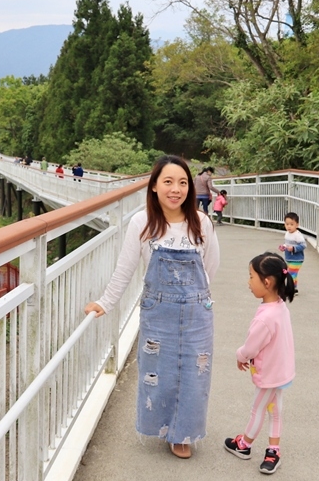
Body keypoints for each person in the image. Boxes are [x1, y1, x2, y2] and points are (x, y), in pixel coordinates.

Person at [84, 155, 220, 459]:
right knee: (159, 371)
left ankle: (182, 433)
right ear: (155, 187)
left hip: (197, 312)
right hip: (158, 312)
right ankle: (161, 426)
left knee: (194, 375)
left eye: (183, 182)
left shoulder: (203, 223)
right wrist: (106, 302)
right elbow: (126, 268)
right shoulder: (141, 223)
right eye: (168, 182)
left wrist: (198, 298)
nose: (176, 189)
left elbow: (210, 267)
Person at [224, 251, 295, 475]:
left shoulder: (265, 318)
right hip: (282, 372)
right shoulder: (280, 307)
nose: (248, 282)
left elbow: (251, 347)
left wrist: (240, 355)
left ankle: (244, 444)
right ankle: (274, 450)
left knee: (258, 409)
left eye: (251, 277)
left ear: (266, 282)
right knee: (275, 411)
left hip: (269, 375)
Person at [278, 212, 306, 289]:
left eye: (291, 224)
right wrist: (283, 247)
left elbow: (303, 245)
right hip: (288, 258)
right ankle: (294, 288)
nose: (289, 226)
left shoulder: (297, 235)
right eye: (287, 224)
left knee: (292, 274)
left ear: (297, 225)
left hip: (296, 259)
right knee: (290, 274)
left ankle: (292, 289)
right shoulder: (287, 233)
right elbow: (287, 244)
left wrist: (294, 249)